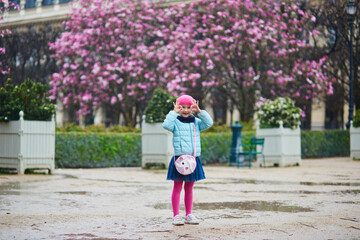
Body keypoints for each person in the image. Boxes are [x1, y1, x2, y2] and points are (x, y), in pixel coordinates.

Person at [162, 95, 213, 225]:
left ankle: (189, 214)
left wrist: (200, 112)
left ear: (192, 108)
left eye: (188, 107)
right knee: (177, 187)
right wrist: (174, 112)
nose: (185, 110)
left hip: (192, 160)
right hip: (179, 160)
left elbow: (209, 123)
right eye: (182, 107)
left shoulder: (196, 122)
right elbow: (166, 125)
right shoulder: (175, 122)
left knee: (189, 188)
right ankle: (176, 215)